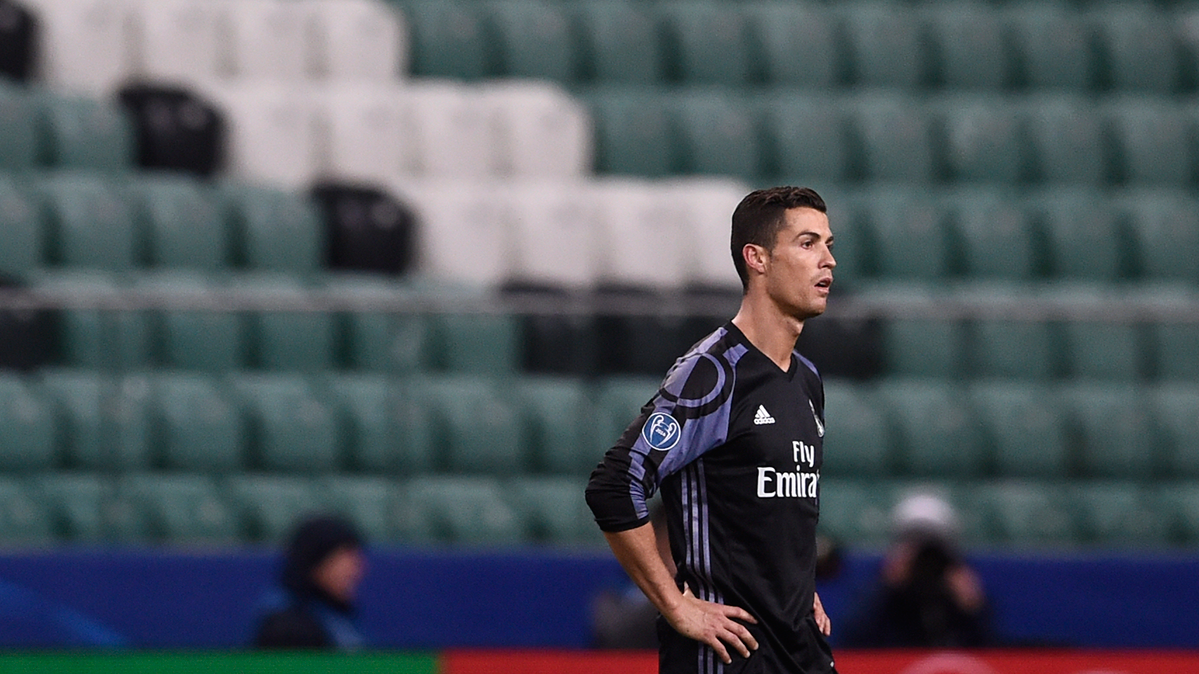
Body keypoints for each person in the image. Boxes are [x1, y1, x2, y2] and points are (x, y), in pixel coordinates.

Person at [586, 186, 838, 673]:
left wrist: (797, 586)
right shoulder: (714, 373)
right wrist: (675, 605)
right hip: (728, 656)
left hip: (801, 651)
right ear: (757, 259)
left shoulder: (807, 379)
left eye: (829, 245)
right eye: (808, 244)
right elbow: (615, 484)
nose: (827, 260)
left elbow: (771, 505)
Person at [841, 492, 993, 648]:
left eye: (931, 541)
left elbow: (994, 650)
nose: (922, 552)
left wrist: (974, 609)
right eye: (914, 539)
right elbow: (853, 640)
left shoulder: (958, 589)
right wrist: (886, 588)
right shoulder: (881, 589)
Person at [253, 514, 368, 650]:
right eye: (347, 559)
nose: (357, 571)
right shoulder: (287, 629)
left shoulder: (333, 618)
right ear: (316, 563)